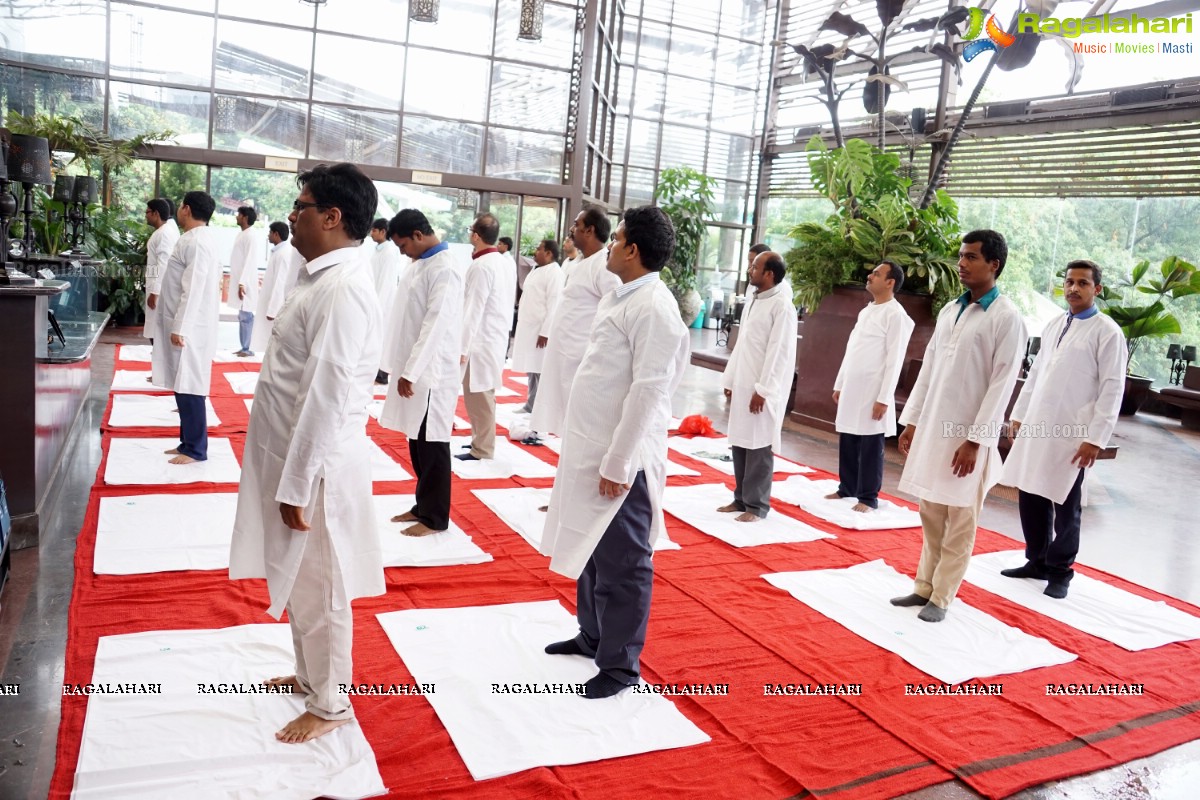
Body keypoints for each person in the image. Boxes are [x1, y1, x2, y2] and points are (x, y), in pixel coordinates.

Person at [229, 162, 384, 745]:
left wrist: (297, 485)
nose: (291, 215)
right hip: (289, 455)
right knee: (298, 580)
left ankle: (330, 702)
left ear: (332, 216)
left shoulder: (344, 289)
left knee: (321, 588)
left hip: (315, 469)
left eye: (301, 205)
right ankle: (308, 673)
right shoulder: (318, 276)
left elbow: (328, 394)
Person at [542, 206, 690, 699]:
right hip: (593, 444)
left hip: (623, 458)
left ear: (632, 250)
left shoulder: (654, 307)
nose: (608, 244)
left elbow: (649, 391)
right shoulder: (624, 296)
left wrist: (619, 461)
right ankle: (593, 636)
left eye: (617, 237)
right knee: (590, 548)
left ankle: (621, 666)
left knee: (624, 563)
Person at [891, 230, 1026, 622]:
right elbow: (929, 370)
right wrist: (912, 421)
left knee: (960, 520)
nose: (961, 263)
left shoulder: (1007, 318)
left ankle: (943, 597)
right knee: (931, 510)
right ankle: (923, 587)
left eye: (971, 257)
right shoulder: (952, 309)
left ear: (994, 264)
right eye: (961, 256)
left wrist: (976, 441)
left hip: (969, 437)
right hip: (934, 429)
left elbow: (1002, 386)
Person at [1000, 259, 1125, 599]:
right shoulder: (1056, 324)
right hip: (1039, 425)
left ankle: (1060, 571)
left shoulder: (1108, 332)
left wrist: (1095, 439)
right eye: (1069, 282)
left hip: (1074, 433)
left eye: (1083, 283)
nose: (1073, 288)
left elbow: (1113, 389)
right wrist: (1019, 414)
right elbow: (1037, 372)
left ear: (1097, 289)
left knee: (1066, 501)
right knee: (1030, 491)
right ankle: (1036, 560)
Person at [378, 210, 464, 536]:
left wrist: (411, 372)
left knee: (433, 444)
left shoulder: (445, 268)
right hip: (415, 367)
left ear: (417, 234)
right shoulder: (421, 264)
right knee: (416, 441)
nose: (402, 252)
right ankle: (422, 505)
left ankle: (435, 517)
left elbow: (436, 324)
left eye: (402, 245)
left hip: (432, 373)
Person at [716, 251, 797, 522]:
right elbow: (742, 345)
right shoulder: (754, 300)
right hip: (744, 382)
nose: (750, 270)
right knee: (740, 441)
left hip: (763, 389)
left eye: (755, 267)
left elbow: (779, 352)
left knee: (759, 445)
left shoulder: (782, 306)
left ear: (769, 274)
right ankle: (740, 498)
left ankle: (756, 506)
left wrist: (763, 390)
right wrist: (730, 379)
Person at [828, 261, 915, 512]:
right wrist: (840, 382)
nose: (870, 276)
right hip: (853, 385)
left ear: (890, 282)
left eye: (876, 274)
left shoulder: (896, 315)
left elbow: (895, 359)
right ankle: (847, 488)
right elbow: (851, 349)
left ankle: (868, 497)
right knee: (849, 436)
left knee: (869, 442)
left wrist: (884, 397)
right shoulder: (866, 311)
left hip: (874, 389)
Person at [531, 207, 620, 438]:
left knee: (579, 424)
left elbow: (614, 312)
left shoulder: (604, 265)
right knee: (566, 421)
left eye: (576, 225)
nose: (571, 230)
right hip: (565, 352)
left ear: (589, 230)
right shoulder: (580, 261)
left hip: (580, 356)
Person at [149, 191, 220, 465]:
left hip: (192, 325)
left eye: (180, 205)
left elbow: (194, 288)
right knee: (182, 382)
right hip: (182, 321)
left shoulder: (199, 241)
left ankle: (196, 449)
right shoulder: (191, 238)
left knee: (190, 384)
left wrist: (181, 326)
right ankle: (186, 441)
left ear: (186, 209)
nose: (178, 209)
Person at [457, 213, 517, 462]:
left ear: (475, 236)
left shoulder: (482, 265)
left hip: (481, 340)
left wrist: (462, 346)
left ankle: (483, 448)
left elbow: (473, 308)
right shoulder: (502, 261)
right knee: (481, 392)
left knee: (479, 394)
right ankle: (479, 441)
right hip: (494, 335)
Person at [512, 239, 563, 418]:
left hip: (540, 330)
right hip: (529, 327)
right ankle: (531, 403)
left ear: (549, 253)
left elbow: (554, 303)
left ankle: (539, 406)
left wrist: (545, 332)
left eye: (539, 249)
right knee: (531, 367)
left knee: (540, 369)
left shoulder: (555, 272)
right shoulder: (537, 269)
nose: (535, 251)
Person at [250, 221, 304, 354]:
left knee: (272, 344)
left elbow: (280, 284)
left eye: (270, 233)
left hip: (274, 308)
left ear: (276, 234)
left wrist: (273, 310)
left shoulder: (284, 254)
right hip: (269, 303)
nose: (268, 236)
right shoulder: (279, 252)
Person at [369, 217, 405, 384]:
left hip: (382, 303)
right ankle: (374, 369)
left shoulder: (390, 251)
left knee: (382, 339)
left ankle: (381, 373)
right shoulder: (378, 250)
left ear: (383, 231)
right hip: (374, 299)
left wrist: (377, 307)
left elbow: (385, 282)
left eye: (374, 230)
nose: (371, 234)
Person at [229, 205, 265, 357]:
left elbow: (250, 261)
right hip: (240, 280)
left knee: (246, 315)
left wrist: (242, 282)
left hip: (245, 282)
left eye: (238, 215)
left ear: (244, 217)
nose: (236, 217)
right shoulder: (242, 234)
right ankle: (244, 346)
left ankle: (247, 348)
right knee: (243, 315)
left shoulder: (250, 235)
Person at [142, 197, 179, 345]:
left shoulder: (164, 233)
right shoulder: (161, 232)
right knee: (154, 328)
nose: (145, 215)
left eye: (147, 212)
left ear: (156, 213)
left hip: (159, 289)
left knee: (157, 330)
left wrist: (155, 291)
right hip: (153, 284)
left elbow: (163, 263)